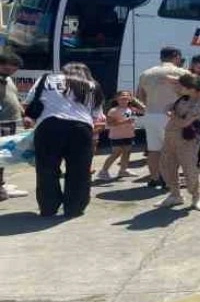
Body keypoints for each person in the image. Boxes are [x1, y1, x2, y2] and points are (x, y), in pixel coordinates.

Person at [27, 63, 104, 217]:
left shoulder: (46, 79)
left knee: (47, 169)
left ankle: (49, 207)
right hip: (81, 129)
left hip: (49, 126)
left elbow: (28, 103)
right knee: (80, 170)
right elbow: (98, 117)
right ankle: (74, 207)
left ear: (63, 70)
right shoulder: (92, 85)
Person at [155, 74, 200, 211]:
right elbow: (172, 80)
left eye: (181, 86)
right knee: (167, 166)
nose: (178, 88)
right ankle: (175, 195)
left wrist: (171, 115)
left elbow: (184, 123)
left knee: (189, 169)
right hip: (170, 136)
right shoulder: (185, 95)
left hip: (188, 140)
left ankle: (196, 197)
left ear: (191, 89)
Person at [137, 47, 188, 189]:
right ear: (176, 56)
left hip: (151, 114)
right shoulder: (182, 73)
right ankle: (170, 181)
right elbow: (189, 95)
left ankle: (154, 179)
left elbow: (140, 97)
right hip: (172, 115)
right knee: (173, 150)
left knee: (154, 149)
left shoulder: (146, 73)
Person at [97, 91, 146, 180]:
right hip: (116, 136)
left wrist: (135, 100)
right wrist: (125, 122)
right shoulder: (113, 110)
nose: (124, 98)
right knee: (116, 153)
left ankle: (123, 170)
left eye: (127, 96)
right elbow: (110, 123)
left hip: (129, 134)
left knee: (127, 152)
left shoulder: (131, 109)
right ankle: (103, 171)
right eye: (122, 96)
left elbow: (144, 110)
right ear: (117, 99)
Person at [0, 52, 28, 201]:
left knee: (4, 157)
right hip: (2, 123)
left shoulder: (8, 79)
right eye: (11, 67)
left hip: (10, 122)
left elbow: (14, 98)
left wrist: (23, 113)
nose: (14, 70)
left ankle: (2, 184)